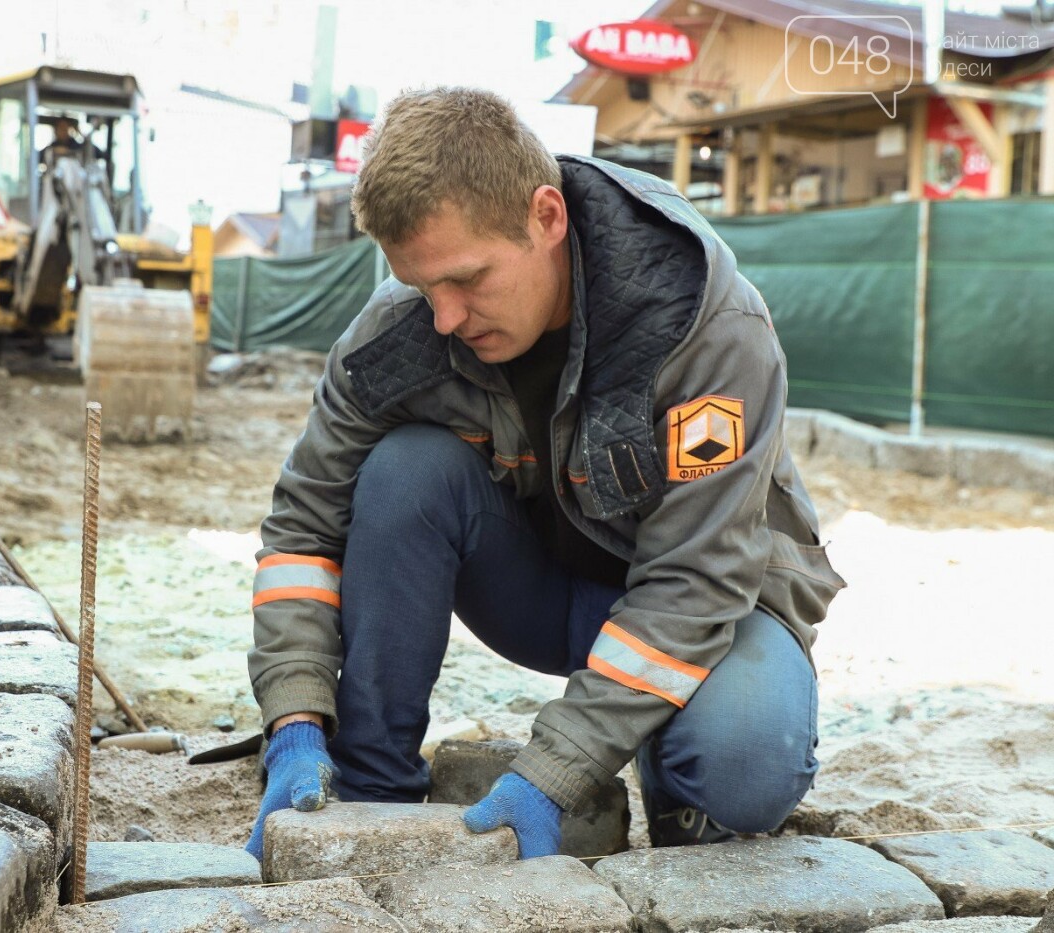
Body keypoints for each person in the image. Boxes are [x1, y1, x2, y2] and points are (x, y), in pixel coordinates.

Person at [243, 87, 846, 860]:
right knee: (405, 473)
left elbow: (698, 580)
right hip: (543, 595)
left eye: (468, 279)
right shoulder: (400, 333)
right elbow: (301, 530)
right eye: (424, 287)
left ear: (546, 218)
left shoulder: (704, 325)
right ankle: (368, 781)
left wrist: (551, 774)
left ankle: (671, 760)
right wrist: (294, 721)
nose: (446, 318)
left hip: (711, 611)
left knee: (744, 761)